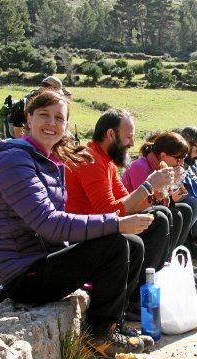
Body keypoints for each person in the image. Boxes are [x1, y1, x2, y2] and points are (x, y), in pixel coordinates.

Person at [0, 90, 154, 359]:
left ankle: (110, 326)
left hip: (44, 261)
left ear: (66, 125)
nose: (52, 123)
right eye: (44, 115)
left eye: (59, 117)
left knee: (133, 243)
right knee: (116, 243)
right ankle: (96, 338)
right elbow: (49, 224)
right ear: (28, 118)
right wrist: (117, 223)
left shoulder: (49, 161)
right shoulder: (13, 161)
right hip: (24, 276)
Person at [65, 109, 175, 318]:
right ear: (110, 135)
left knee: (160, 215)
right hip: (86, 235)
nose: (132, 144)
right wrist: (149, 186)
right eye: (128, 137)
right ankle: (132, 298)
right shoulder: (89, 160)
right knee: (156, 221)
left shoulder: (107, 162)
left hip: (104, 226)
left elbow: (127, 203)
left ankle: (140, 291)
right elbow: (109, 211)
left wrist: (156, 193)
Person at [122, 131, 197, 252]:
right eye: (178, 158)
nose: (181, 163)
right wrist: (165, 186)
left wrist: (176, 189)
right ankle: (160, 259)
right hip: (131, 215)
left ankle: (169, 255)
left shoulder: (161, 166)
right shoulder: (140, 167)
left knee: (185, 210)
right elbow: (141, 205)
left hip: (151, 209)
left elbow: (166, 201)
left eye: (183, 158)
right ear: (164, 156)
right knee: (168, 214)